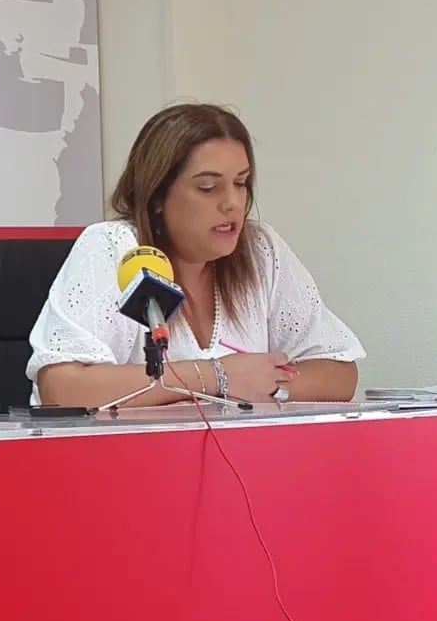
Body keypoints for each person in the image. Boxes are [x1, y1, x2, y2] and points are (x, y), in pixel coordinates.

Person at [28, 104, 362, 409]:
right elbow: (62, 388)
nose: (232, 203)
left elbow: (338, 372)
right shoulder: (112, 248)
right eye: (208, 188)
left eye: (241, 183)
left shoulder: (260, 249)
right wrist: (217, 377)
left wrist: (266, 387)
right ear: (157, 195)